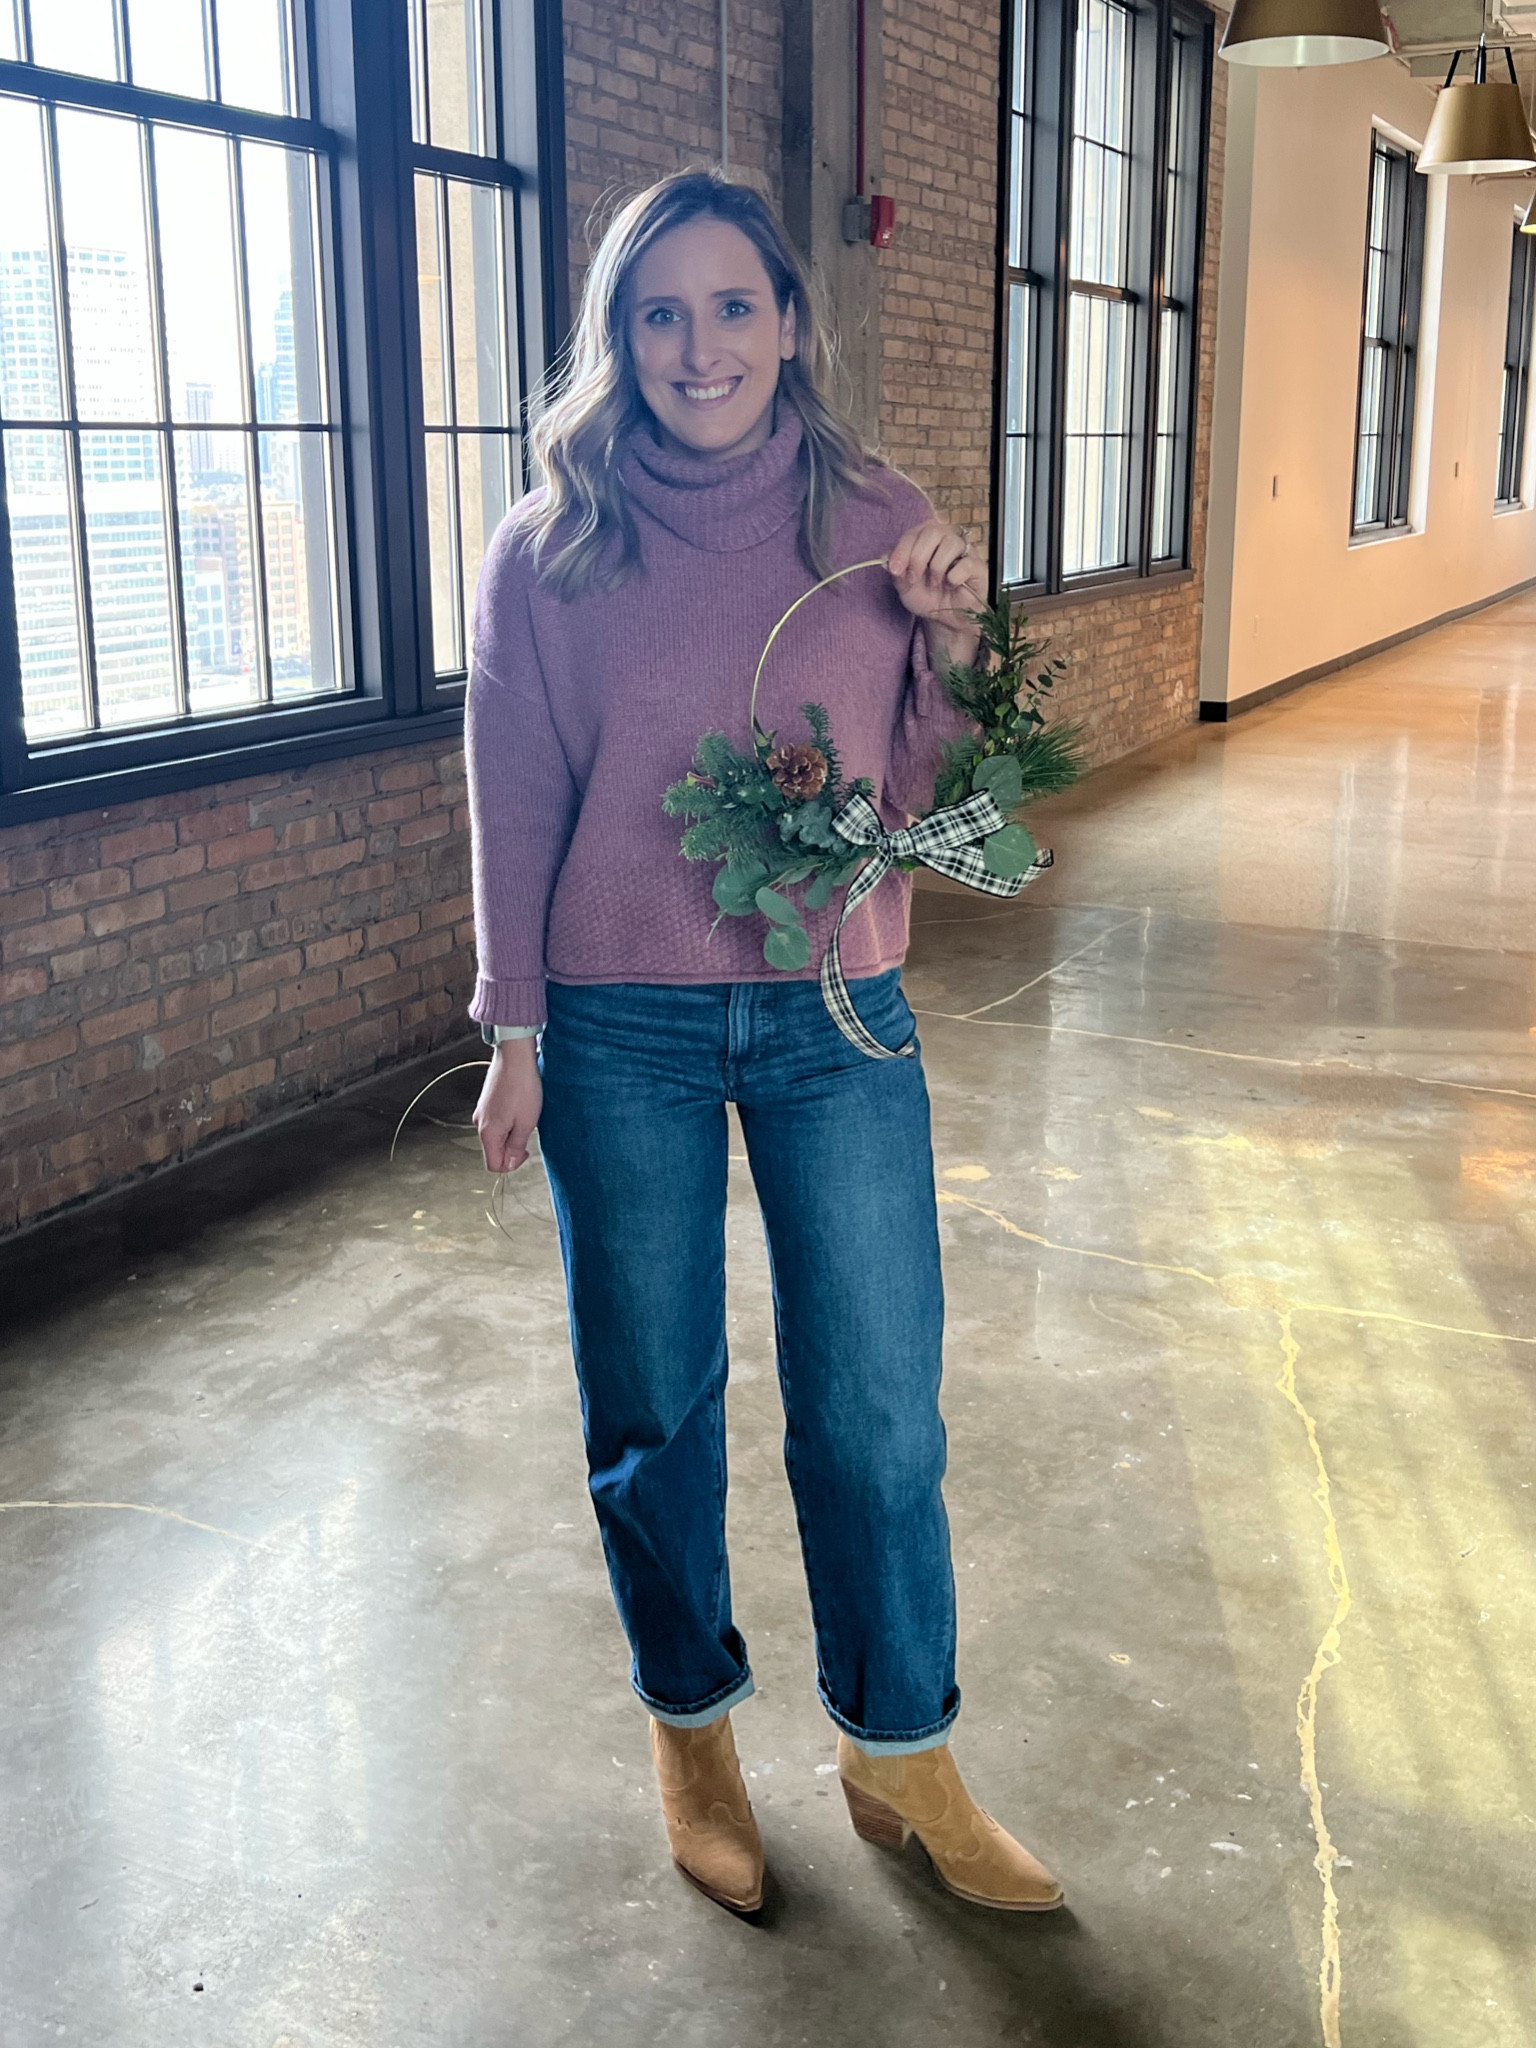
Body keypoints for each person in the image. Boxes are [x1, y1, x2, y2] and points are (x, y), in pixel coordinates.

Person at [467, 169, 1063, 1918]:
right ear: (618, 337)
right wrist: (516, 1033)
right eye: (660, 313)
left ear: (794, 322)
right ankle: (695, 1733)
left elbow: (937, 802)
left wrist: (953, 651)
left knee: (880, 1407)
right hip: (621, 1023)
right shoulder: (549, 543)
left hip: (837, 1009)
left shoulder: (880, 523)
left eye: (734, 306)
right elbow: (514, 801)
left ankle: (904, 1755)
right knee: (651, 1408)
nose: (699, 345)